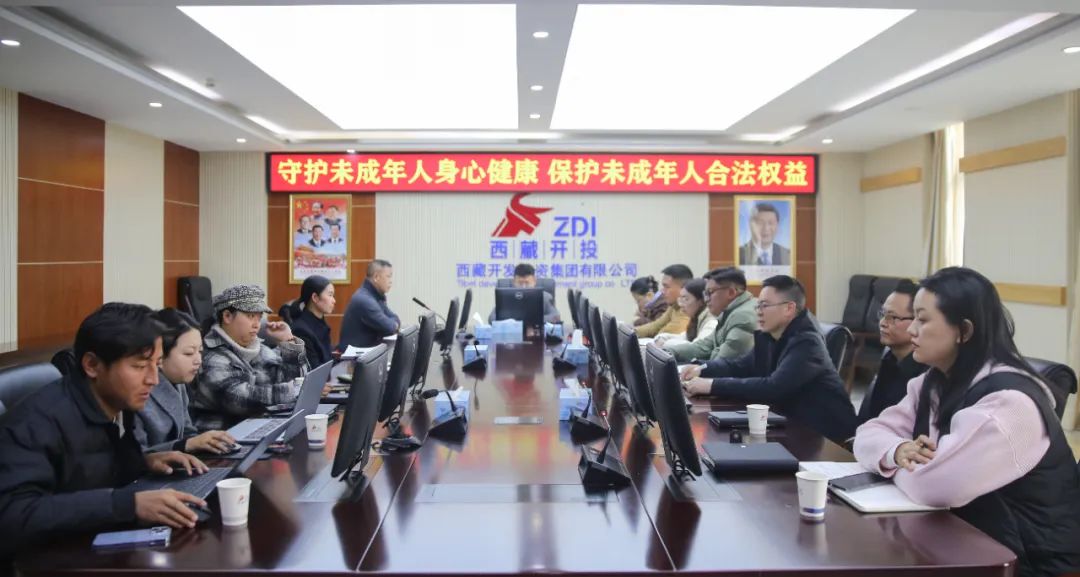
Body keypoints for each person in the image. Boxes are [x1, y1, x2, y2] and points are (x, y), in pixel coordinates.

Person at [854, 268, 1080, 577]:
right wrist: (898, 451)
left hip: (1030, 564)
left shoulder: (1010, 404)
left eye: (923, 319)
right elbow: (868, 433)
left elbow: (933, 486)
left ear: (963, 330)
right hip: (968, 543)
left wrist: (892, 465)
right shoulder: (932, 382)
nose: (912, 330)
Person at [0, 304, 211, 559]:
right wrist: (126, 505)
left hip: (94, 546)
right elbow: (12, 515)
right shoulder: (36, 423)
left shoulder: (117, 404)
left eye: (156, 364)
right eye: (139, 366)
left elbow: (90, 471)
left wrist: (144, 462)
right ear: (92, 365)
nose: (153, 379)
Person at [681, 275, 857, 443]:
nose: (758, 312)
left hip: (824, 436)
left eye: (764, 306)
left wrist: (712, 385)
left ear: (789, 308)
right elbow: (741, 366)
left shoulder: (807, 342)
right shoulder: (772, 334)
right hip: (788, 421)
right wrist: (702, 368)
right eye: (758, 306)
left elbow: (774, 387)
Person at [189, 285, 308, 431]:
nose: (257, 324)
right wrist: (293, 390)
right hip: (225, 437)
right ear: (227, 316)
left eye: (259, 317)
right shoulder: (211, 356)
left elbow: (292, 379)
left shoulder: (257, 348)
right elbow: (240, 399)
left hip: (258, 427)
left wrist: (288, 342)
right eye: (251, 316)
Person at [133, 308, 236, 454]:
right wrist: (184, 445)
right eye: (189, 353)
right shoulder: (138, 391)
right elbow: (138, 455)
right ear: (160, 355)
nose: (198, 360)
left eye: (200, 351)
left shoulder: (178, 382)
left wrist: (204, 441)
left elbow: (187, 432)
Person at [857, 280, 928, 423]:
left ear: (918, 321)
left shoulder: (926, 374)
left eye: (893, 317)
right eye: (883, 314)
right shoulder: (889, 358)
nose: (883, 323)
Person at [665, 267, 756, 363]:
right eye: (705, 294)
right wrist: (667, 352)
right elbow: (703, 347)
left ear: (731, 292)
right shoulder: (728, 313)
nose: (706, 299)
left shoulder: (742, 317)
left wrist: (700, 366)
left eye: (710, 292)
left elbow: (722, 363)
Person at [339, 259, 400, 349]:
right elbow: (389, 328)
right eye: (388, 276)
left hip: (368, 352)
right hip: (355, 356)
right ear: (376, 277)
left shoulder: (376, 296)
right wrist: (394, 325)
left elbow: (394, 318)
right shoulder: (364, 300)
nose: (391, 281)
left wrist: (394, 324)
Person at [489, 263, 561, 324]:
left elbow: (555, 316)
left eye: (527, 283)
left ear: (534, 281)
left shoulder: (544, 297)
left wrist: (530, 320)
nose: (524, 287)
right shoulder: (506, 297)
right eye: (520, 283)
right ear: (514, 282)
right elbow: (492, 318)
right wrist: (513, 321)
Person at [289, 275, 336, 368]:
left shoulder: (320, 323)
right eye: (330, 295)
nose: (334, 301)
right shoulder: (301, 331)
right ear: (315, 297)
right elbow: (315, 369)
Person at [636, 264, 693, 338]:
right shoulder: (674, 306)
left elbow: (666, 334)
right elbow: (656, 325)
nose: (662, 291)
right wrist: (633, 332)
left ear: (683, 288)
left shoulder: (688, 311)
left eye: (666, 287)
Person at [656, 278, 715, 348]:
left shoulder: (711, 322)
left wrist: (665, 343)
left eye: (686, 299)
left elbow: (696, 348)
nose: (681, 304)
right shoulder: (696, 319)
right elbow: (685, 337)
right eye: (681, 298)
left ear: (701, 301)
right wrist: (662, 337)